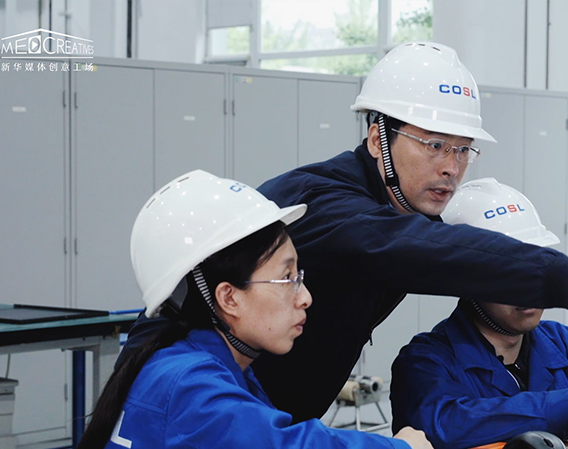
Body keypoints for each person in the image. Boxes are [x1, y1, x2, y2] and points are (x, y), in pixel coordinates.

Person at [120, 42, 568, 423]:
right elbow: (416, 249)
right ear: (377, 138)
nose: (452, 167)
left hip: (274, 408)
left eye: (463, 149)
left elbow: (449, 244)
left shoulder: (411, 210)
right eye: (434, 145)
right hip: (206, 404)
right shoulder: (324, 203)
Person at [79, 170, 433, 449]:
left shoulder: (195, 366)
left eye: (300, 276)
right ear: (228, 298)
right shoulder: (189, 386)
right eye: (286, 278)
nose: (305, 297)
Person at [389, 178, 568, 449]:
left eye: (532, 273)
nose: (528, 290)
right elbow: (445, 425)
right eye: (509, 275)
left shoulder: (560, 342)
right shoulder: (425, 360)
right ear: (464, 279)